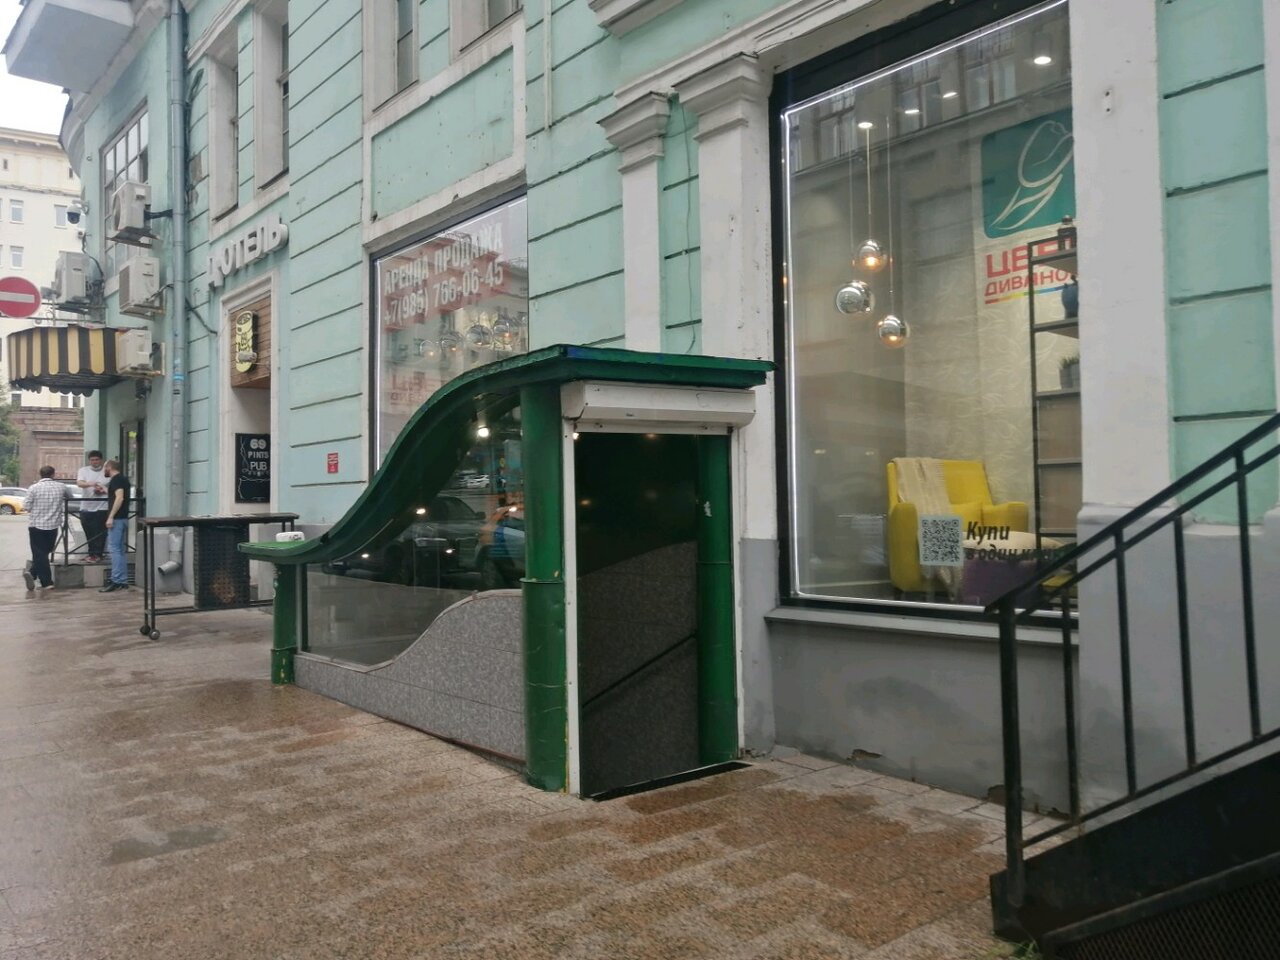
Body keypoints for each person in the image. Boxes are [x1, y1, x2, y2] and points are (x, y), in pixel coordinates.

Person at [22, 465, 67, 594]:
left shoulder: (33, 488)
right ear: (53, 474)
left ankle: (46, 582)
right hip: (53, 526)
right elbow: (70, 497)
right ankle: (32, 573)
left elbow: (26, 507)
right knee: (45, 552)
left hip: (36, 525)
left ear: (40, 474)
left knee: (39, 553)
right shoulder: (61, 487)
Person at [100, 459, 132, 593]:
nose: (104, 470)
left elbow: (119, 497)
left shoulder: (116, 480)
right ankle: (122, 580)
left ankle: (116, 580)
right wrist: (105, 490)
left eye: (104, 467)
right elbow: (118, 495)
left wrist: (111, 516)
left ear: (109, 467)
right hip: (123, 518)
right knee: (120, 550)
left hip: (117, 519)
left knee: (114, 549)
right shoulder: (123, 479)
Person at [75, 450, 109, 562]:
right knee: (88, 531)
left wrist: (102, 490)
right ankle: (91, 554)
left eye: (97, 460)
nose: (94, 462)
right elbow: (80, 483)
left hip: (102, 506)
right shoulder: (83, 470)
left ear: (101, 460)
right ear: (89, 460)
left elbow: (112, 486)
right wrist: (91, 484)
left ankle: (98, 554)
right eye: (92, 460)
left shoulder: (106, 471)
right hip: (86, 506)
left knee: (100, 532)